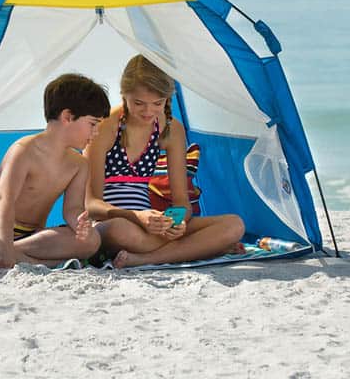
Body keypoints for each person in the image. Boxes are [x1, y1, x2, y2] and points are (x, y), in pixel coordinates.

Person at [85, 55, 245, 269]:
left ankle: (147, 259)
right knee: (121, 230)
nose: (148, 111)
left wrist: (177, 222)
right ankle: (196, 248)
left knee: (234, 225)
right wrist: (137, 217)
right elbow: (91, 204)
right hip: (111, 223)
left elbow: (182, 203)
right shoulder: (105, 126)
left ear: (168, 99)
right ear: (124, 95)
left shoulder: (171, 129)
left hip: (152, 227)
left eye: (158, 103)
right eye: (138, 103)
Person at [0, 73, 110, 268]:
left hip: (35, 236)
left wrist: (80, 225)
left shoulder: (79, 164)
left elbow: (72, 209)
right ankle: (17, 254)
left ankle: (11, 253)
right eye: (93, 124)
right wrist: (3, 241)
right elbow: (5, 201)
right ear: (67, 117)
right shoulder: (23, 151)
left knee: (92, 241)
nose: (95, 133)